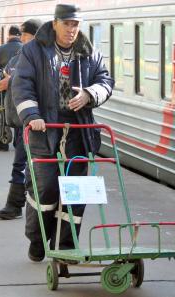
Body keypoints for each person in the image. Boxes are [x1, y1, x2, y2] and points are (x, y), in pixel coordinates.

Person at [12, 4, 114, 262]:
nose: (72, 30)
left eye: (76, 24)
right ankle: (38, 239)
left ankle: (67, 246)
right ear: (55, 23)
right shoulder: (33, 50)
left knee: (75, 192)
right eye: (67, 24)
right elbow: (22, 86)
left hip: (79, 131)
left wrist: (89, 94)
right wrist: (32, 116)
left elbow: (105, 81)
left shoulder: (89, 52)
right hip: (44, 130)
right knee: (44, 190)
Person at [0, 19, 42, 220]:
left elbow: (37, 82)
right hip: (18, 119)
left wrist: (10, 81)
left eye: (25, 35)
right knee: (25, 164)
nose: (21, 38)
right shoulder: (19, 56)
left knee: (22, 164)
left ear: (35, 36)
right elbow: (4, 75)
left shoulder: (42, 58)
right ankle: (25, 205)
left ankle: (15, 206)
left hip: (32, 120)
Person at [0, 25, 23, 152]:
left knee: (2, 115)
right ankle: (18, 143)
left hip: (2, 90)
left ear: (8, 35)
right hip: (20, 90)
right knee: (19, 117)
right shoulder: (24, 49)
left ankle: (2, 144)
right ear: (20, 35)